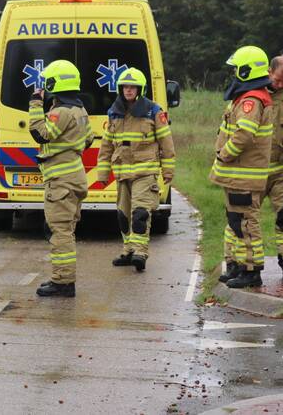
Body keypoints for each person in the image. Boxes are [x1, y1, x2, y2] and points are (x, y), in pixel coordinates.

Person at [95, 68, 175, 272]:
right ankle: (129, 250)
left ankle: (140, 252)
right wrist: (103, 173)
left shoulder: (153, 111)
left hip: (145, 172)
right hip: (122, 173)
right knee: (123, 215)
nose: (128, 90)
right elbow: (107, 145)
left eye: (133, 87)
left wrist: (168, 170)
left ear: (140, 89)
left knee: (140, 214)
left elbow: (166, 142)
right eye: (125, 87)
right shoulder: (114, 112)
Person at [30, 60, 94, 298]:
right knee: (66, 230)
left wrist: (35, 104)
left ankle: (63, 282)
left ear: (54, 83)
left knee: (60, 231)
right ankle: (63, 278)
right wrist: (70, 147)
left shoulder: (61, 112)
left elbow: (40, 134)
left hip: (61, 181)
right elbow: (88, 140)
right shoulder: (80, 109)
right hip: (75, 177)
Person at [212, 46, 274, 288]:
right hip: (237, 176)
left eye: (237, 69)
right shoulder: (248, 97)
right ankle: (240, 266)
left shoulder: (251, 101)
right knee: (237, 222)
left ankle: (251, 271)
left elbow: (244, 135)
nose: (234, 73)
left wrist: (224, 154)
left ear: (247, 70)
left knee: (247, 224)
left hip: (243, 175)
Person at [268, 56, 283, 272]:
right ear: (269, 71)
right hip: (253, 171)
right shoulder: (253, 93)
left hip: (280, 172)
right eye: (277, 80)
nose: (279, 85)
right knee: (243, 219)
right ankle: (241, 265)